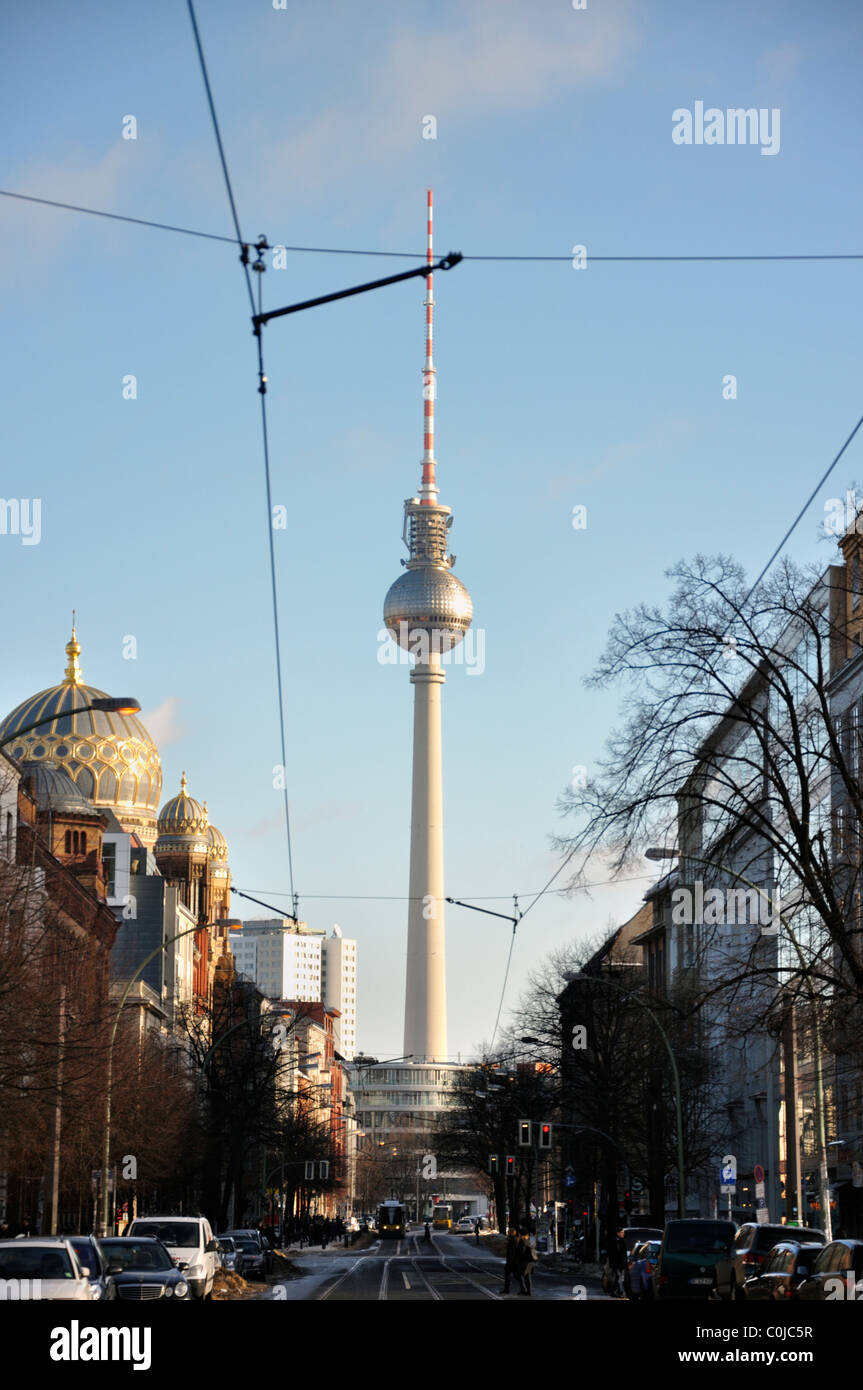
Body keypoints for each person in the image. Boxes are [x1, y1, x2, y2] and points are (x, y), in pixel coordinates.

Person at [516, 1230, 536, 1296]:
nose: (518, 1235)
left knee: (519, 1276)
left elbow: (521, 1253)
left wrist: (518, 1260)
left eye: (519, 1234)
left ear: (521, 1235)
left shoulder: (522, 1241)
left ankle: (524, 1290)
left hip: (524, 1262)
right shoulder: (528, 1241)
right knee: (527, 1276)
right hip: (530, 1262)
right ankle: (528, 1291)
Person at [503, 1226, 520, 1294]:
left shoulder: (511, 1240)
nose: (507, 1233)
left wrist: (509, 1262)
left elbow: (511, 1252)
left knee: (509, 1276)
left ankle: (507, 1289)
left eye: (508, 1232)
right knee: (516, 1276)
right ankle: (523, 1288)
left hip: (511, 1261)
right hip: (514, 1261)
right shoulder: (515, 1239)